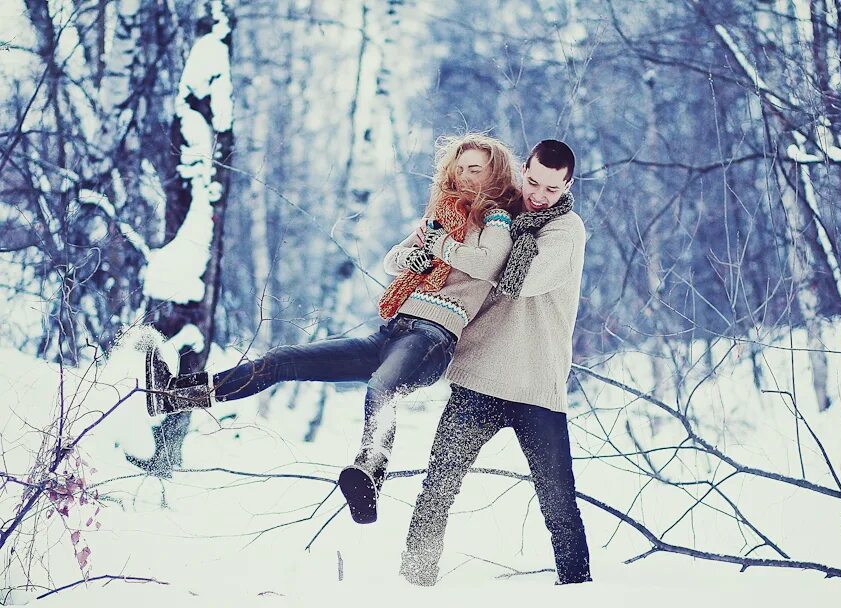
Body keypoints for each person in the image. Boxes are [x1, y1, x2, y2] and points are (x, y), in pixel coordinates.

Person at [143, 133, 520, 524]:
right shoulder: (443, 218)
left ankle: (370, 473)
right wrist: (417, 254)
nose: (464, 177)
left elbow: (487, 263)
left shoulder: (497, 221)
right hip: (391, 333)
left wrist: (439, 246)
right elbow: (394, 260)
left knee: (382, 388)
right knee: (281, 360)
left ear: (494, 173)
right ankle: (175, 396)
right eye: (458, 169)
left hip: (432, 340)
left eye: (474, 169)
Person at [401, 139, 591, 586]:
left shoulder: (566, 230)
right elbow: (423, 249)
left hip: (535, 384)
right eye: (532, 181)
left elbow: (520, 279)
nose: (539, 195)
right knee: (437, 489)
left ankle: (579, 590)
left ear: (567, 186)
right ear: (524, 169)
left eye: (552, 188)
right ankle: (414, 584)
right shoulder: (493, 215)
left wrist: (459, 246)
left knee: (559, 503)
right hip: (479, 374)